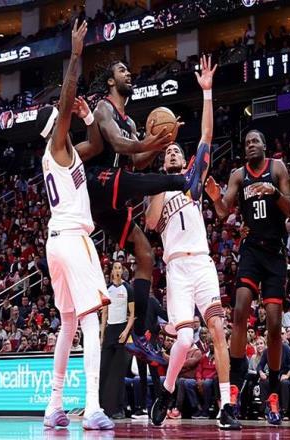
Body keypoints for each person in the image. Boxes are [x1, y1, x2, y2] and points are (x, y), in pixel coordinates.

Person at [80, 56, 209, 366]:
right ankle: (183, 180)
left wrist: (158, 143)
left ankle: (139, 334)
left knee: (146, 254)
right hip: (97, 183)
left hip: (114, 196)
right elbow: (118, 145)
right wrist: (148, 142)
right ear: (111, 80)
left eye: (128, 70)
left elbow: (138, 160)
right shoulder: (103, 108)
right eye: (122, 70)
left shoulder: (131, 123)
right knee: (132, 179)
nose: (129, 74)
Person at [146, 56, 240, 430]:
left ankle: (227, 405)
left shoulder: (192, 183)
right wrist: (158, 170)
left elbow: (207, 137)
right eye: (168, 152)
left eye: (176, 151)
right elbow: (151, 222)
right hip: (176, 270)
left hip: (201, 263)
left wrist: (207, 93)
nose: (173, 153)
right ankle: (167, 390)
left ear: (184, 161)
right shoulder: (157, 188)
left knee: (217, 329)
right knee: (184, 339)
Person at [40, 20, 113, 430]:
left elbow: (97, 145)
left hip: (56, 242)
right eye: (64, 117)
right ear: (58, 125)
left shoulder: (65, 155)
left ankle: (54, 406)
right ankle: (93, 406)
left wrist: (88, 119)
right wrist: (75, 54)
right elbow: (66, 97)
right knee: (88, 320)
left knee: (68, 323)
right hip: (72, 239)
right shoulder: (57, 145)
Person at [205, 130, 290, 425]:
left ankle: (273, 391)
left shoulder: (277, 168)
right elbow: (222, 211)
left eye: (256, 141)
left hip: (275, 253)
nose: (251, 145)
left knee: (274, 324)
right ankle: (235, 382)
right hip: (252, 249)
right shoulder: (238, 175)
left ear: (265, 146)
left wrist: (273, 192)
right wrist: (215, 197)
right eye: (247, 143)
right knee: (240, 309)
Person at [100, 261, 135, 419]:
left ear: (122, 271)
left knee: (119, 372)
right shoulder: (107, 289)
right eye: (115, 268)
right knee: (104, 369)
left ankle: (119, 409)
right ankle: (102, 407)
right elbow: (104, 314)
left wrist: (126, 331)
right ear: (112, 271)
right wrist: (102, 335)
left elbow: (132, 314)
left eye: (120, 268)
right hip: (110, 331)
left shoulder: (128, 288)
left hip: (122, 330)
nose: (117, 270)